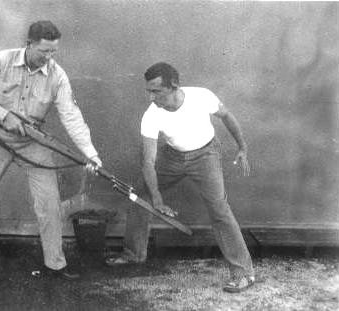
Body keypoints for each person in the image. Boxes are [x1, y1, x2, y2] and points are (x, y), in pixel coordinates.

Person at [0, 20, 102, 280]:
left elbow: (72, 116)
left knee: (49, 205)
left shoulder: (57, 75)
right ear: (28, 44)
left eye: (53, 52)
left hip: (34, 142)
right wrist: (4, 116)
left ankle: (56, 266)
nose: (48, 58)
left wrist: (90, 154)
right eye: (43, 51)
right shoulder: (1, 61)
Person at [106, 62, 255, 293]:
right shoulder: (151, 115)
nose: (151, 97)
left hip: (206, 154)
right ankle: (133, 254)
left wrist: (242, 146)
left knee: (219, 209)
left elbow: (226, 116)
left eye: (157, 91)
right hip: (173, 157)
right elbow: (148, 161)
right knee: (139, 195)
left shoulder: (201, 96)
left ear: (174, 85)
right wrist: (156, 199)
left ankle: (244, 273)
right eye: (149, 91)